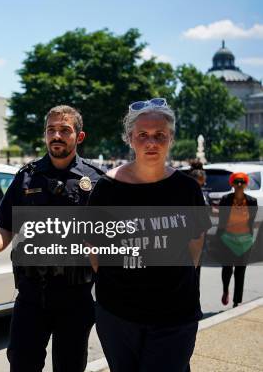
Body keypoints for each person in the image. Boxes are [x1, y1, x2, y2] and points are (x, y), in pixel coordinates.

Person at [86, 98, 211, 372]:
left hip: (175, 314)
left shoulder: (186, 189)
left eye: (159, 135)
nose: (151, 142)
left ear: (171, 139)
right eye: (143, 135)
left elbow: (196, 245)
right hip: (117, 315)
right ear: (130, 138)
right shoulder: (107, 188)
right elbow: (93, 247)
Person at [0, 105, 105, 372]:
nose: (57, 135)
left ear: (79, 136)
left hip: (75, 297)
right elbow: (4, 227)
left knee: (70, 366)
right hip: (31, 295)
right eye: (51, 130)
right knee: (21, 364)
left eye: (65, 130)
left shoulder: (97, 181)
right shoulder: (26, 177)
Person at [216, 172, 257, 308]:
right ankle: (225, 290)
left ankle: (236, 301)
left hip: (245, 242)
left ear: (246, 184)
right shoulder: (226, 199)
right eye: (237, 182)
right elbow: (221, 220)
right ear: (232, 184)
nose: (239, 185)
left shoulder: (252, 202)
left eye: (242, 182)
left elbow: (251, 221)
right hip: (227, 239)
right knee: (227, 269)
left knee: (240, 272)